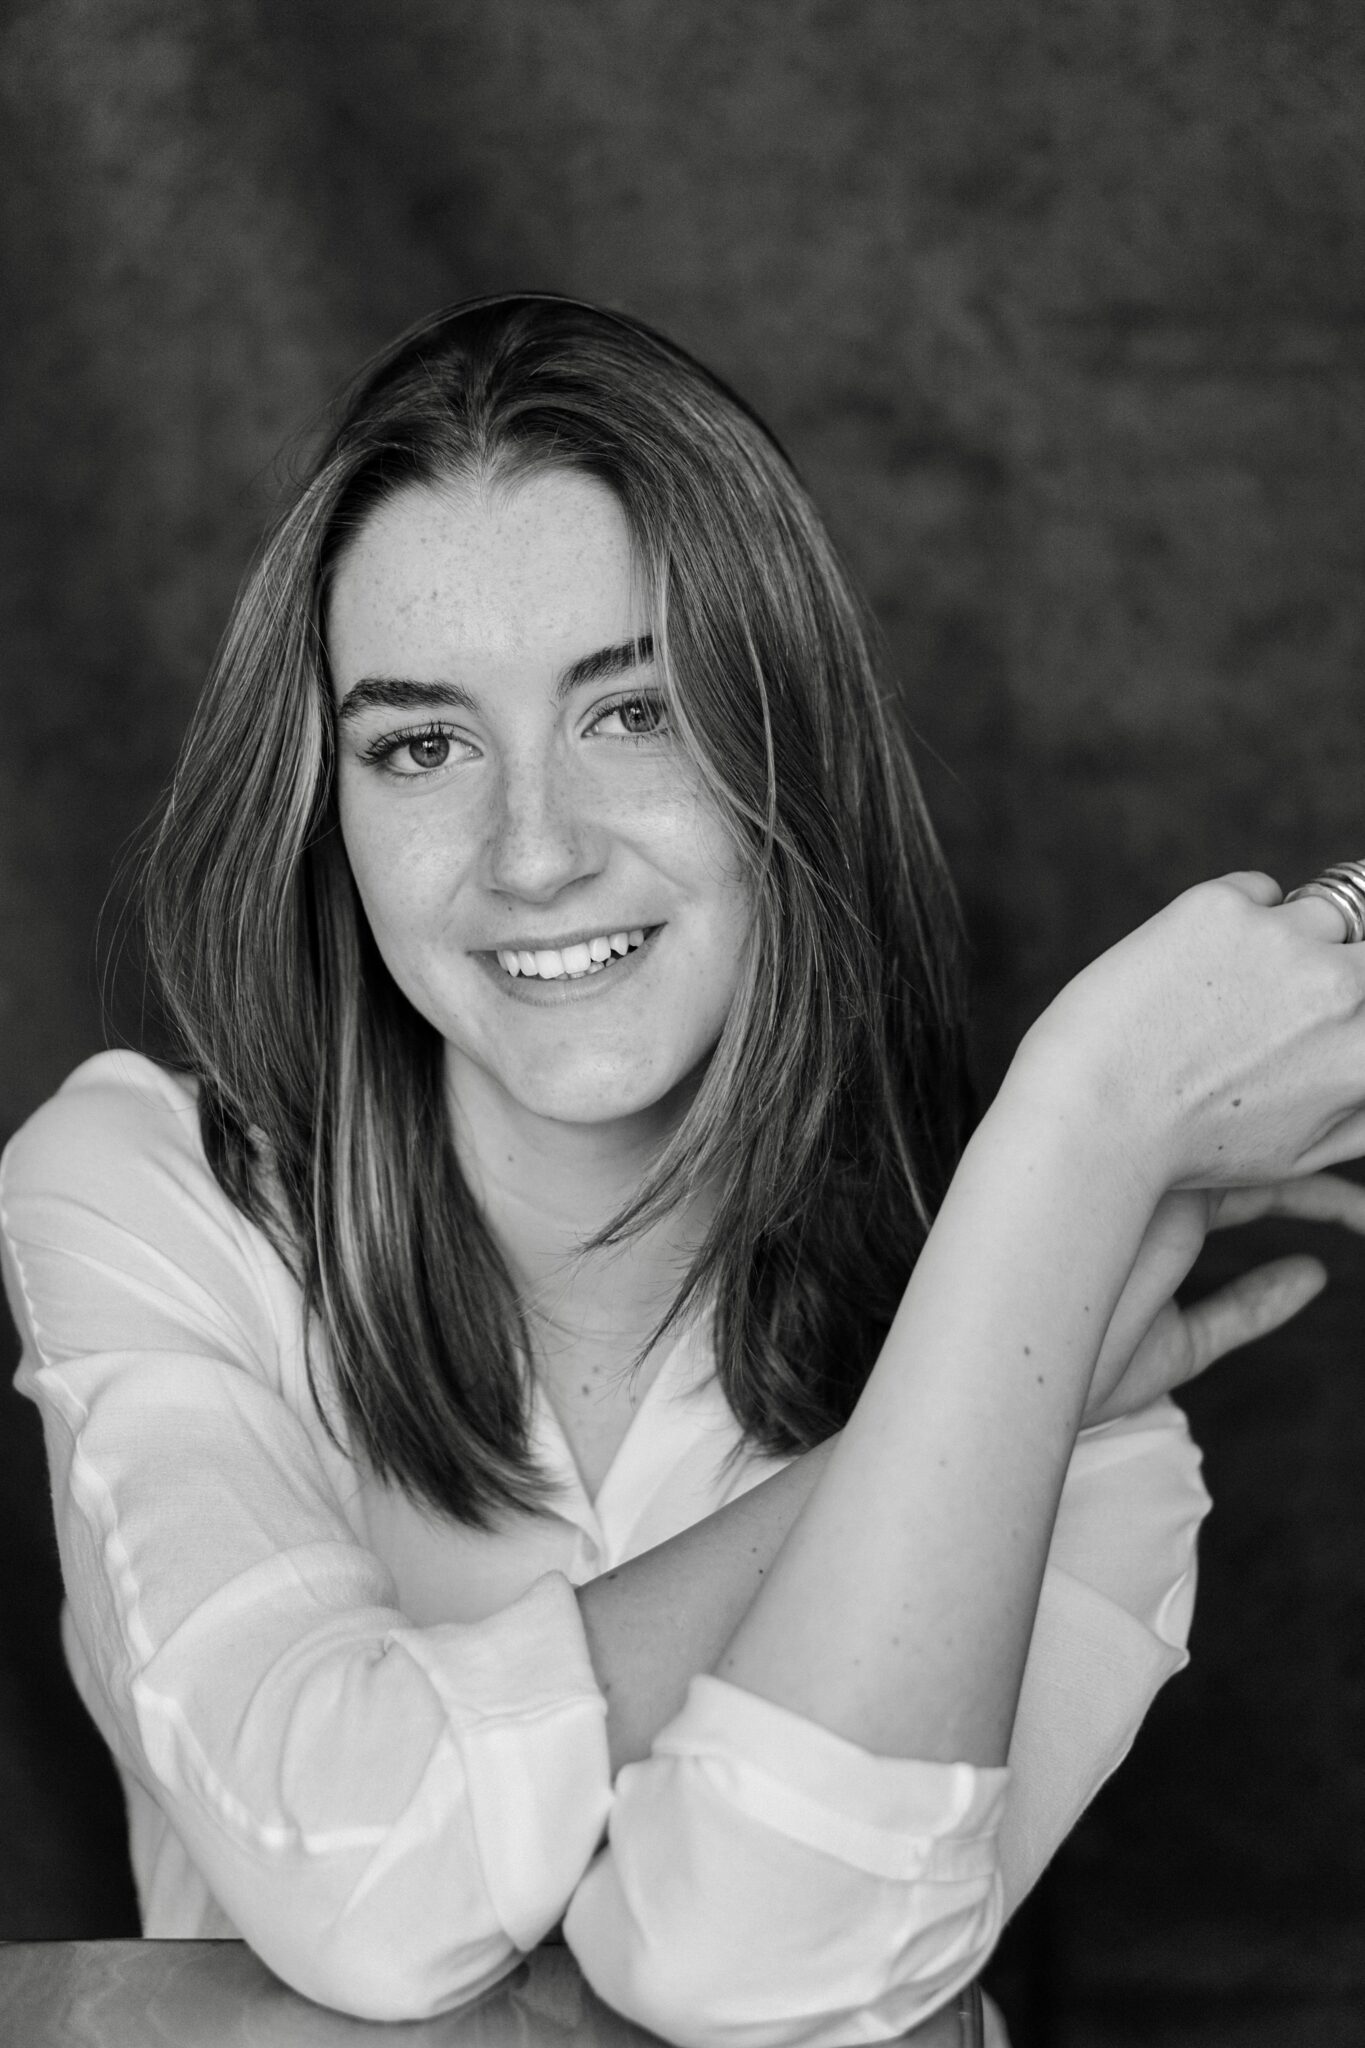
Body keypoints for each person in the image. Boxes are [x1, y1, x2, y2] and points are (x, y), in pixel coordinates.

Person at [4, 294, 1365, 2047]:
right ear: (325, 811)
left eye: (634, 712)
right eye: (420, 745)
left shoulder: (1080, 1376)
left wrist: (1080, 1118)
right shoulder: (154, 1195)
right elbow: (356, 1877)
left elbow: (759, 1977)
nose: (533, 852)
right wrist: (948, 1437)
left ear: (789, 748)